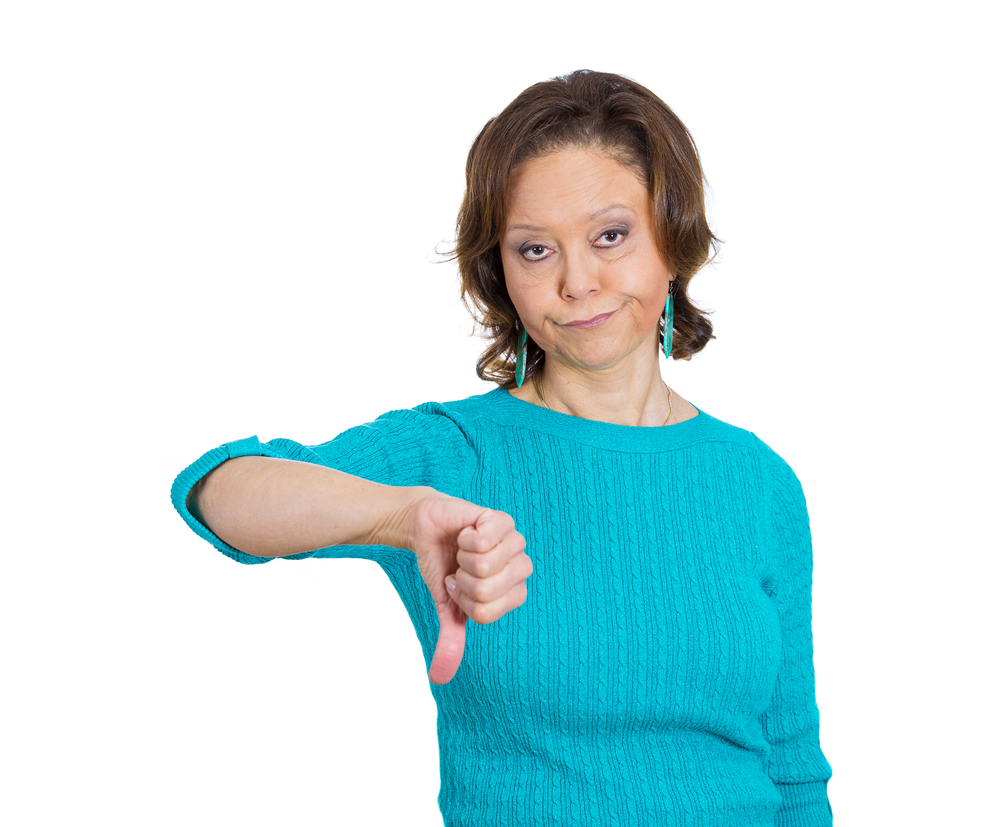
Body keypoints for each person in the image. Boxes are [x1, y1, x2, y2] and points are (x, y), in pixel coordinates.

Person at [172, 69, 833, 826]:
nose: (578, 281)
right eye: (535, 250)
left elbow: (793, 766)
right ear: (501, 275)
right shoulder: (454, 455)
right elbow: (216, 491)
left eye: (610, 235)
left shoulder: (757, 480)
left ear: (674, 241)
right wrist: (402, 514)